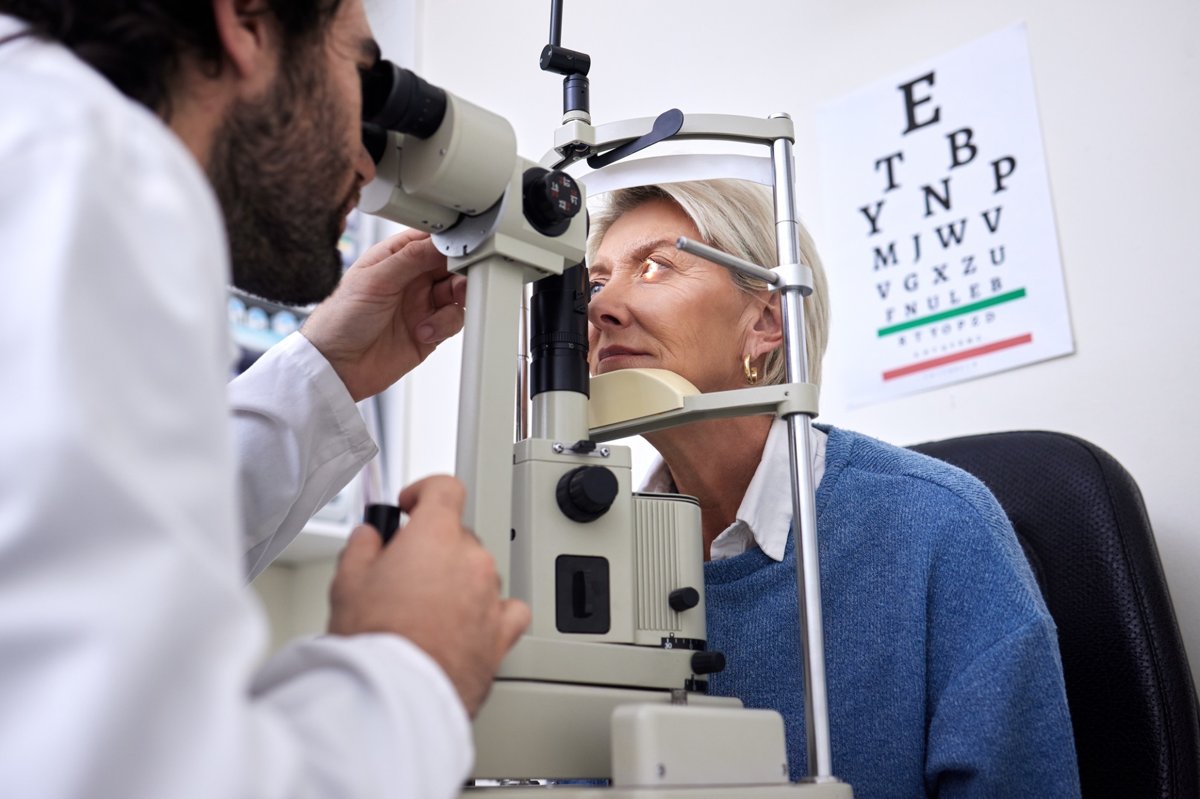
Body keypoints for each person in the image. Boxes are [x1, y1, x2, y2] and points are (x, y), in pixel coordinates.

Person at [0, 1, 529, 798]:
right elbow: (129, 772)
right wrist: (412, 666)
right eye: (365, 76)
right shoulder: (90, 161)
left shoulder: (41, 140)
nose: (367, 159)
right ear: (245, 20)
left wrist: (321, 372)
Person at [585, 179, 1081, 797]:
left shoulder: (938, 526)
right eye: (597, 282)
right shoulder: (588, 556)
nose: (600, 308)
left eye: (656, 267)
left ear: (768, 320)